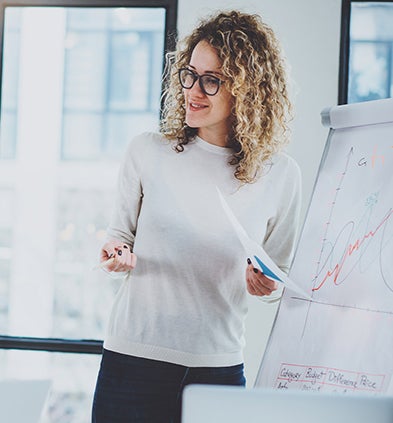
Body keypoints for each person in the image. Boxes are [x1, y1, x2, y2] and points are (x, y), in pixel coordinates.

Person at [92, 9, 301, 423]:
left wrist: (266, 285)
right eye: (190, 74)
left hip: (217, 370)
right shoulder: (147, 151)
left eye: (211, 80)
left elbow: (278, 273)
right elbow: (119, 235)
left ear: (247, 90)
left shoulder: (280, 175)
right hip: (132, 363)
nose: (193, 90)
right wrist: (115, 253)